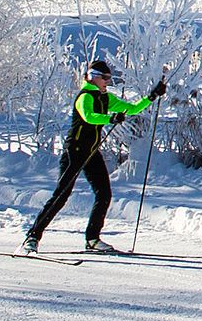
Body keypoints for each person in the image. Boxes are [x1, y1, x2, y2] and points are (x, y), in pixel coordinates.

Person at [27, 60, 155, 253]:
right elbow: (89, 116)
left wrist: (152, 96)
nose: (107, 82)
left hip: (92, 152)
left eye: (109, 78)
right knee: (61, 196)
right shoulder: (85, 96)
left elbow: (132, 108)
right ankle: (32, 237)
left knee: (104, 194)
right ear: (92, 76)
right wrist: (110, 118)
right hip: (75, 152)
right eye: (104, 78)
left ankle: (93, 239)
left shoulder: (105, 97)